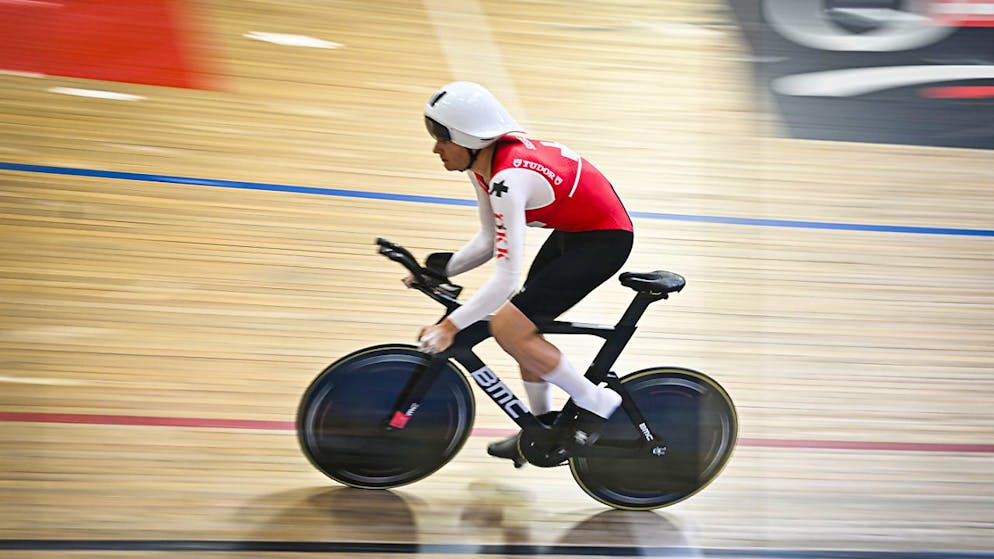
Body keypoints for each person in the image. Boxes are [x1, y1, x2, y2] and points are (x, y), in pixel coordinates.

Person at [414, 81, 634, 463]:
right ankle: (543, 424)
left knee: (508, 325)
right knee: (521, 322)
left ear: (468, 138)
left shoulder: (507, 179)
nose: (435, 147)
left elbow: (506, 277)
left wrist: (449, 328)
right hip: (575, 232)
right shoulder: (483, 165)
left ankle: (596, 401)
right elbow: (487, 239)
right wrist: (439, 271)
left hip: (604, 240)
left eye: (441, 137)